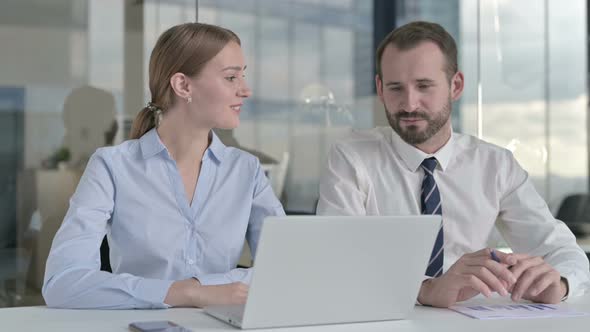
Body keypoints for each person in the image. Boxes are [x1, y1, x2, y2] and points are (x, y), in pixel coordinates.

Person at [317, 21, 590, 308]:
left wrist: (559, 283)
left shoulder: (495, 165)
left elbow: (562, 250)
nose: (409, 104)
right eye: (396, 88)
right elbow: (335, 261)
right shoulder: (351, 158)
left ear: (456, 85)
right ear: (380, 89)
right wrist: (424, 289)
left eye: (424, 86)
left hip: (470, 320)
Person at [42, 22, 285, 309]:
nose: (245, 90)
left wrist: (203, 287)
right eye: (231, 77)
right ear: (183, 85)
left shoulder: (247, 170)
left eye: (242, 76)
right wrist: (188, 293)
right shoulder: (111, 166)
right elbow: (63, 283)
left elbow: (286, 269)